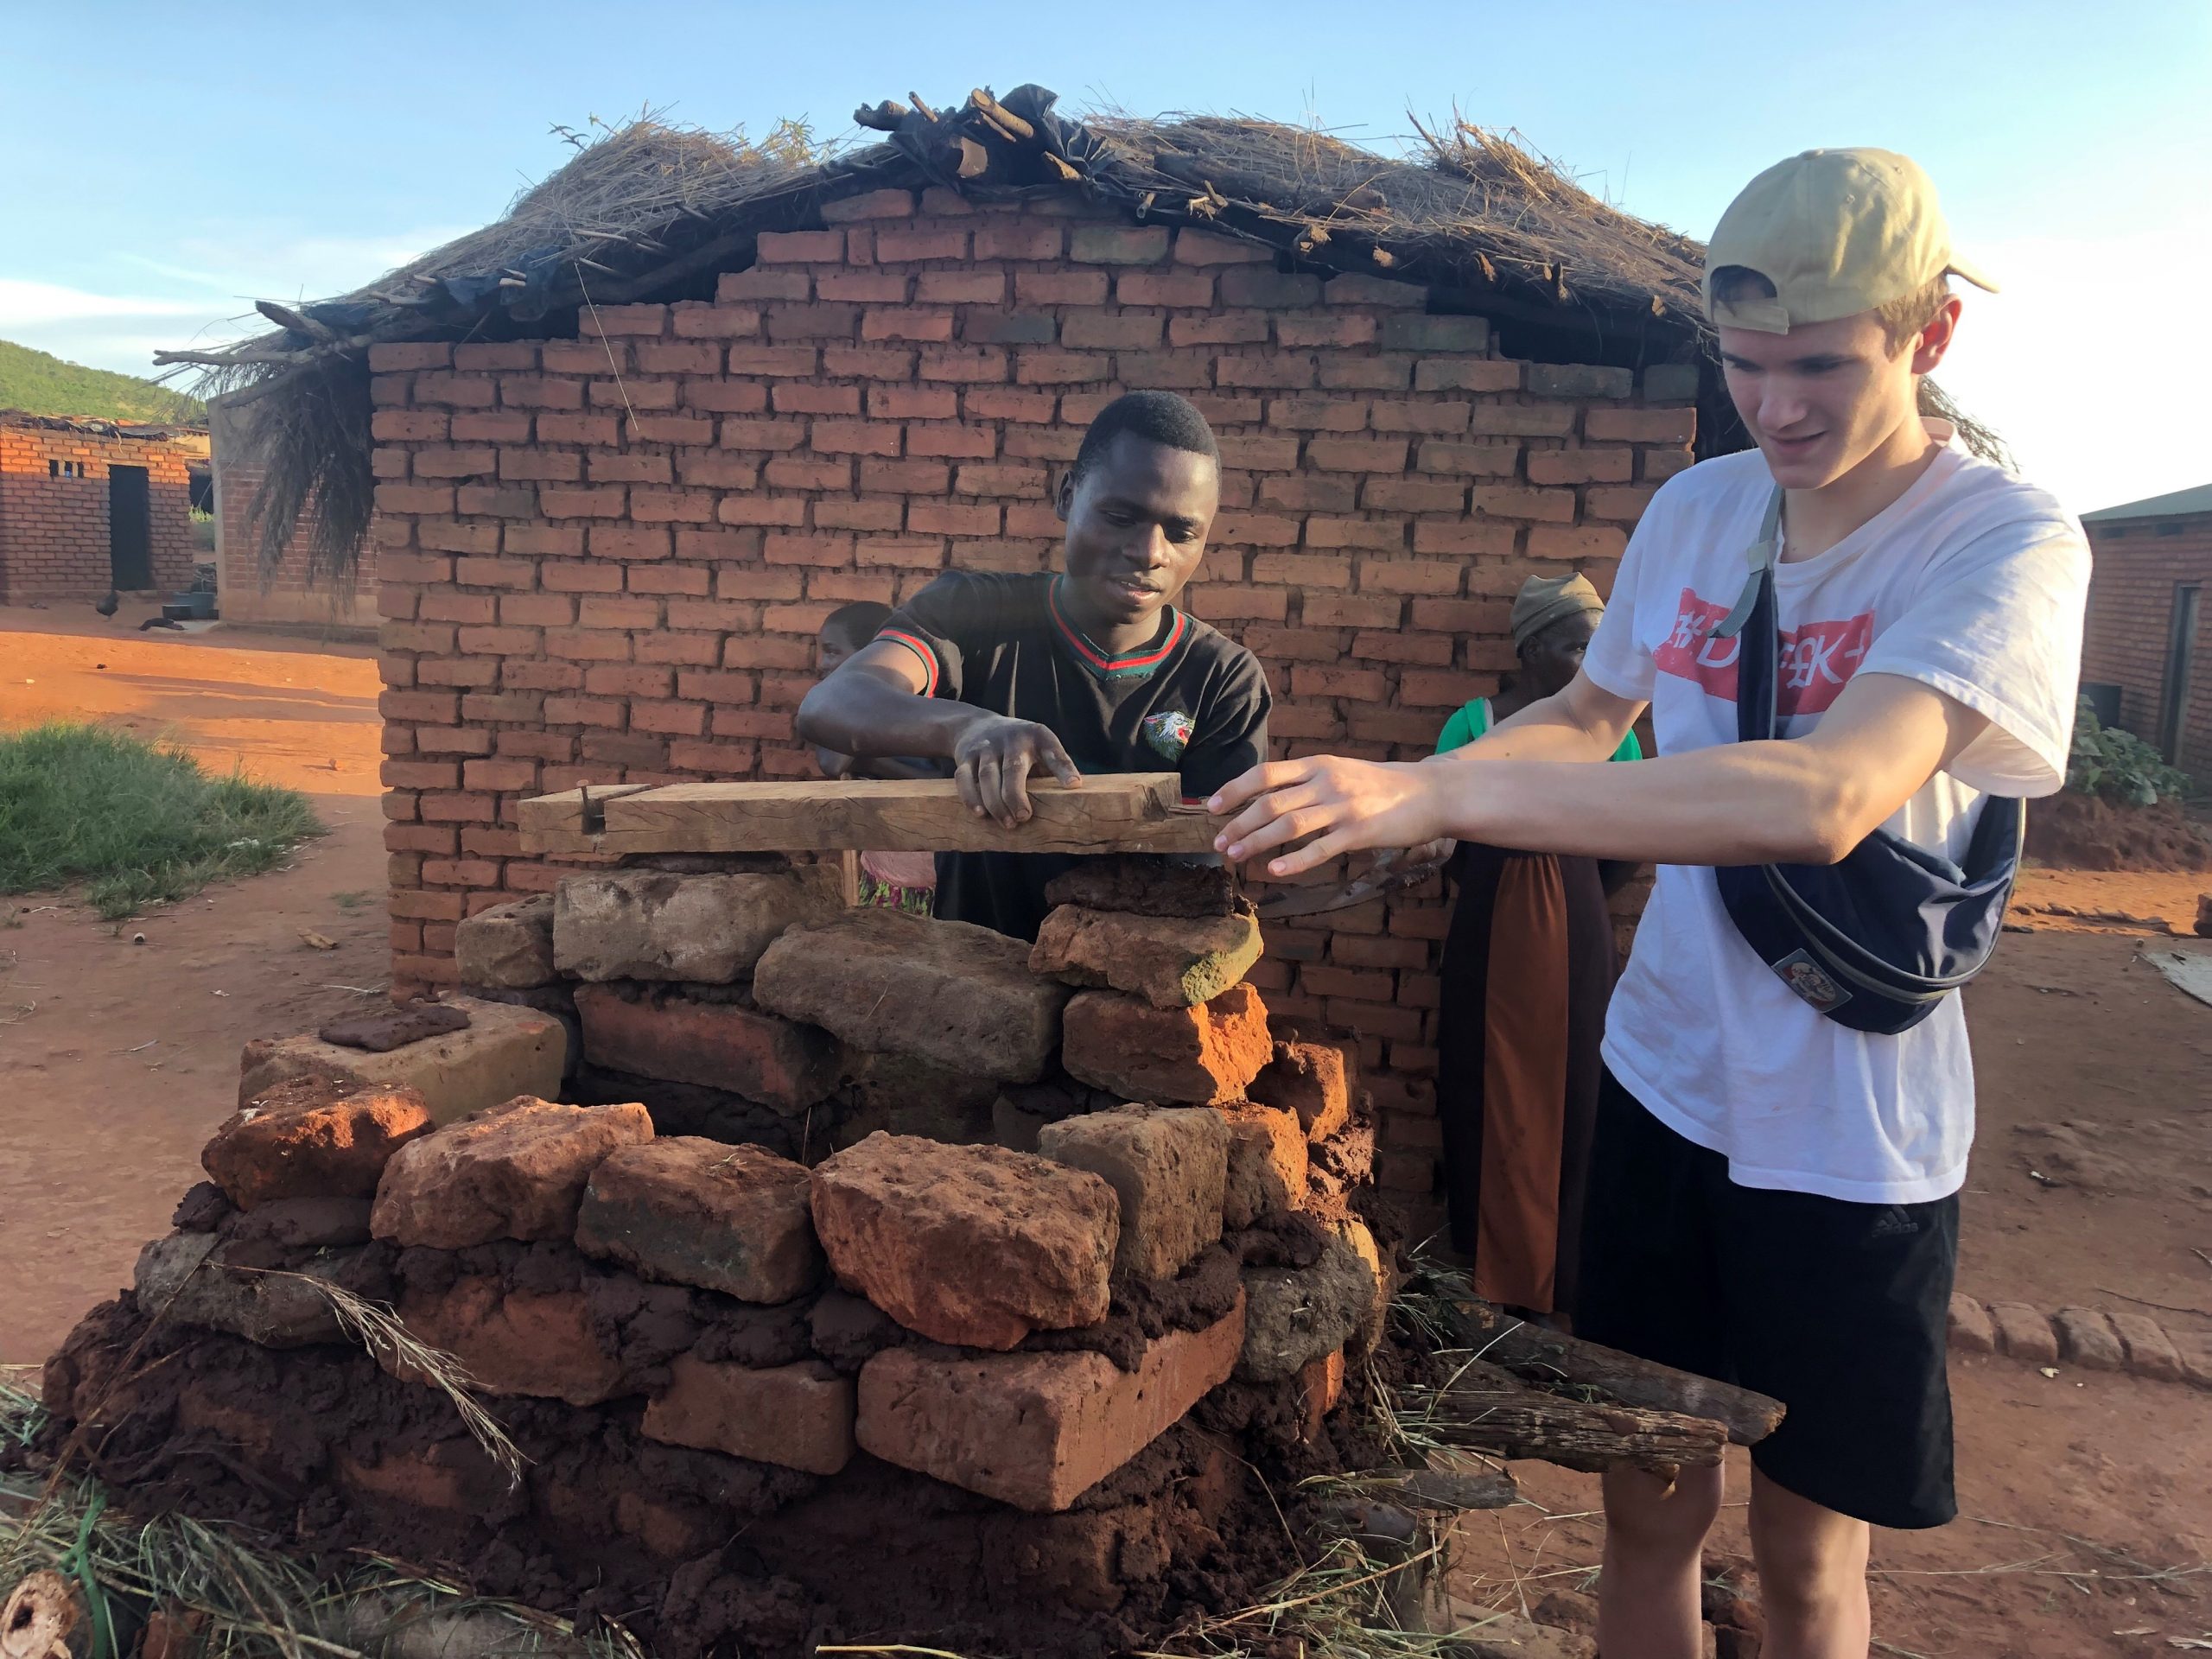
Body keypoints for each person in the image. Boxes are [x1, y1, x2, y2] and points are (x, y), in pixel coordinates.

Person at [1205, 149, 2090, 1658]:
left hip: (1852, 1140)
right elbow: (1590, 712)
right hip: (1667, 1087)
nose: (1778, 405)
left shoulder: (2001, 543)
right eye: (1746, 366)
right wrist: (1410, 787)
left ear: (1929, 334)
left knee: (1808, 1559)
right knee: (1646, 1508)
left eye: (1822, 364)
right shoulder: (1697, 512)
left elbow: (1819, 802)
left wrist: (1448, 796)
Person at [796, 389, 1272, 941]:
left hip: (1122, 991)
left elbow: (1201, 867)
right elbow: (830, 704)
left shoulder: (1221, 679)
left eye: (1182, 532)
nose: (1149, 551)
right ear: (1068, 495)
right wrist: (968, 726)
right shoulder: (974, 613)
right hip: (974, 978)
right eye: (1120, 516)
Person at [1433, 572, 1641, 1321]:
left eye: (1597, 646)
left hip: (1579, 930)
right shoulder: (1475, 724)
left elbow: (1629, 842)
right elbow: (1445, 838)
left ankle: (1563, 1279)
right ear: (1531, 650)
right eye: (1574, 646)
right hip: (1488, 926)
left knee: (1579, 1088)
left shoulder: (1615, 731)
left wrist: (1566, 884)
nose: (1591, 663)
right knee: (1478, 1080)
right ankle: (1488, 1271)